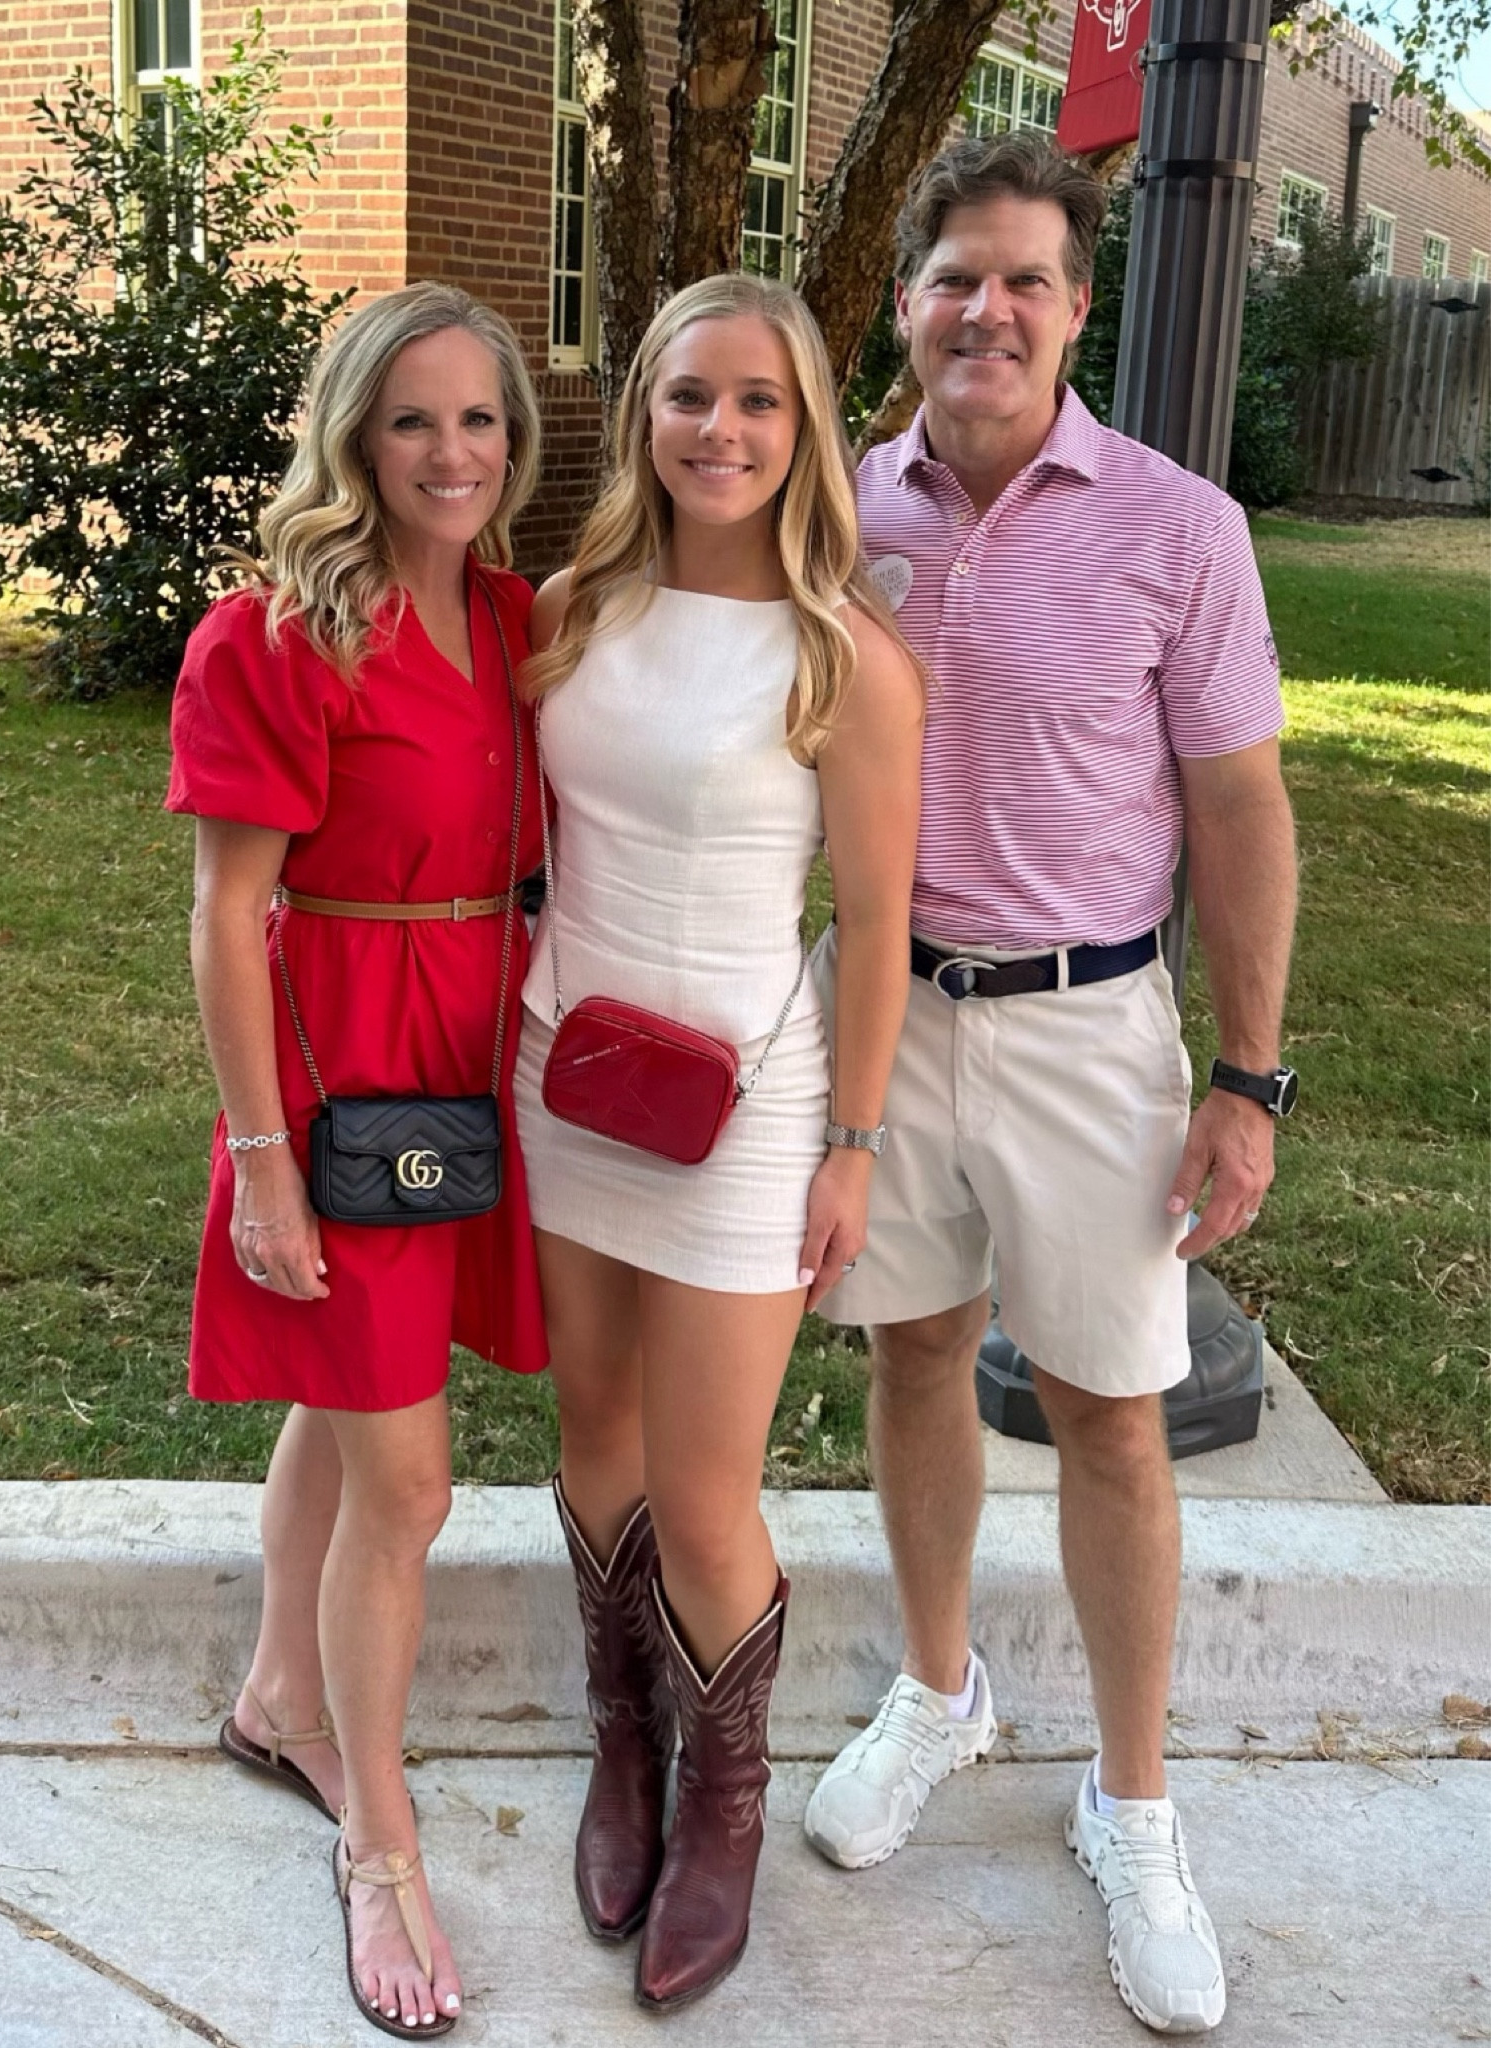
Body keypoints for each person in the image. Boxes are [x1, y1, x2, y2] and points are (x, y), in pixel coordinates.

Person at [801, 134, 1297, 2037]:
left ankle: (1132, 1799)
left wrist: (1244, 1076)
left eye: (1024, 279)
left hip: (1095, 1026)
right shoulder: (847, 515)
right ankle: (939, 1688)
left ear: (1076, 308)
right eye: (953, 276)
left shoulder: (1180, 527)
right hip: (890, 1016)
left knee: (1109, 1415)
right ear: (908, 301)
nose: (984, 309)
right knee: (911, 1354)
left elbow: (1241, 809)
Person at [515, 273, 925, 2011]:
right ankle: (625, 1745)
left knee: (703, 1485)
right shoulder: (571, 610)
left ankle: (727, 1802)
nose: (722, 431)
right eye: (692, 396)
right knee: (589, 1423)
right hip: (564, 1069)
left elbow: (882, 926)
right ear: (646, 414)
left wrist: (851, 1142)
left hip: (749, 1109)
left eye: (760, 403)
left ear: (807, 429)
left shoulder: (847, 655)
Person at [166, 281, 548, 2041]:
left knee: (348, 1399)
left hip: (477, 1054)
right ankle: (379, 1846)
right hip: (343, 1077)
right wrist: (259, 1159)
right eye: (412, 421)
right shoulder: (272, 636)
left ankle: (276, 1702)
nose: (450, 454)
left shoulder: (525, 620)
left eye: (479, 420)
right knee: (407, 1482)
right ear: (354, 436)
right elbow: (227, 910)